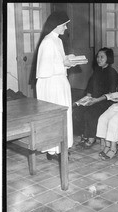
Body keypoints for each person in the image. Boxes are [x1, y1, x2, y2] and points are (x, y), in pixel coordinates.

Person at [36, 11, 85, 160]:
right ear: (56, 25)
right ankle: (53, 150)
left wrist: (68, 60)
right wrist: (63, 63)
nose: (65, 29)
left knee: (64, 114)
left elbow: (57, 61)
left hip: (59, 82)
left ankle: (60, 148)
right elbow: (45, 69)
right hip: (51, 84)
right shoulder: (47, 41)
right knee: (55, 117)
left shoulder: (57, 40)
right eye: (64, 25)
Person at [72, 47, 118, 148]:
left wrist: (96, 100)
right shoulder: (97, 71)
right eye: (98, 56)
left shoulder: (112, 73)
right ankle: (84, 135)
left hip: (105, 101)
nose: (99, 59)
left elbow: (111, 94)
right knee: (79, 110)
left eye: (102, 57)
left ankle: (91, 138)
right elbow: (90, 88)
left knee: (91, 113)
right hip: (94, 100)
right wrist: (87, 99)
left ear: (108, 59)